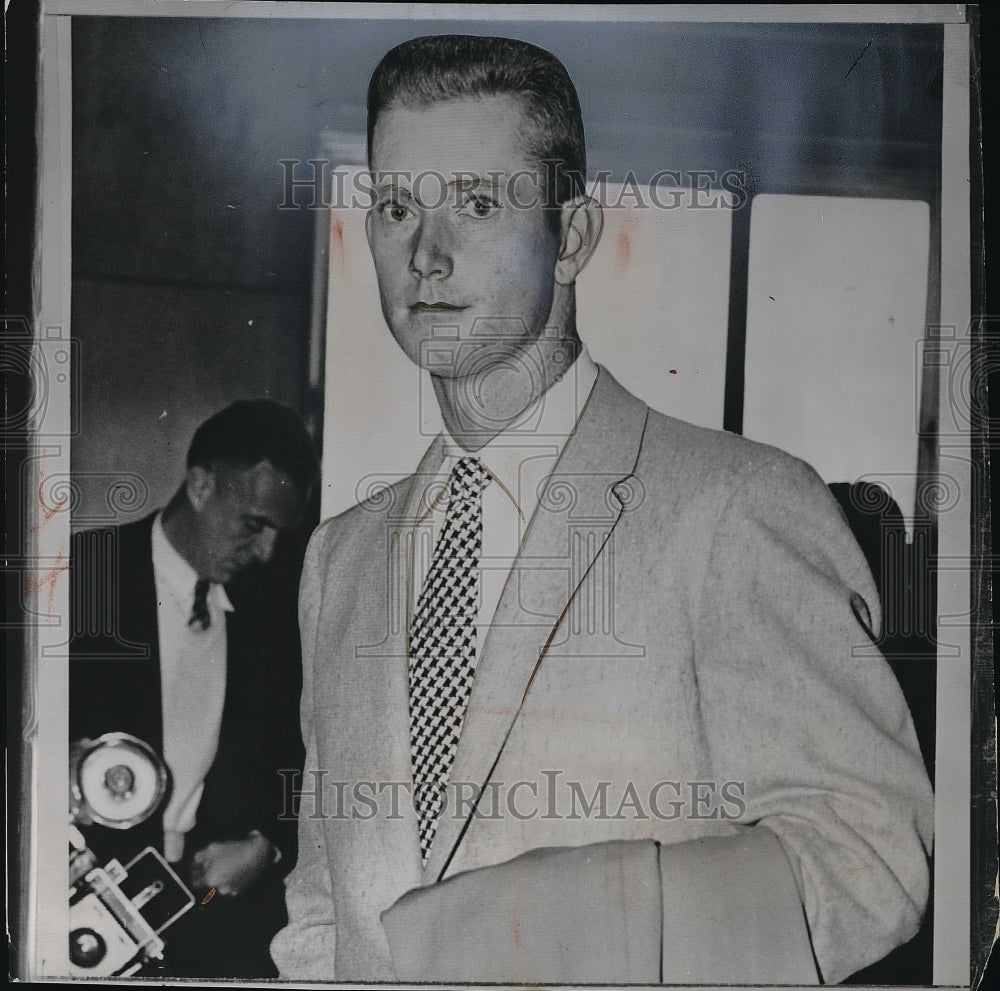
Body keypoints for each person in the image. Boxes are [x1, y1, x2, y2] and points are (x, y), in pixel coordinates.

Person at [272, 35, 934, 984]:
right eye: (395, 207)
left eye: (477, 203)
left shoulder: (735, 506)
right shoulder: (340, 559)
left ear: (573, 237)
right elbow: (323, 909)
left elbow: (875, 854)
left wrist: (528, 930)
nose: (426, 253)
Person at [70, 399, 318, 978]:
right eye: (255, 525)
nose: (268, 552)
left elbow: (303, 755)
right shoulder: (81, 574)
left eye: (281, 533)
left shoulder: (275, 615)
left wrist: (267, 844)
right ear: (201, 486)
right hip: (81, 908)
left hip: (207, 913)